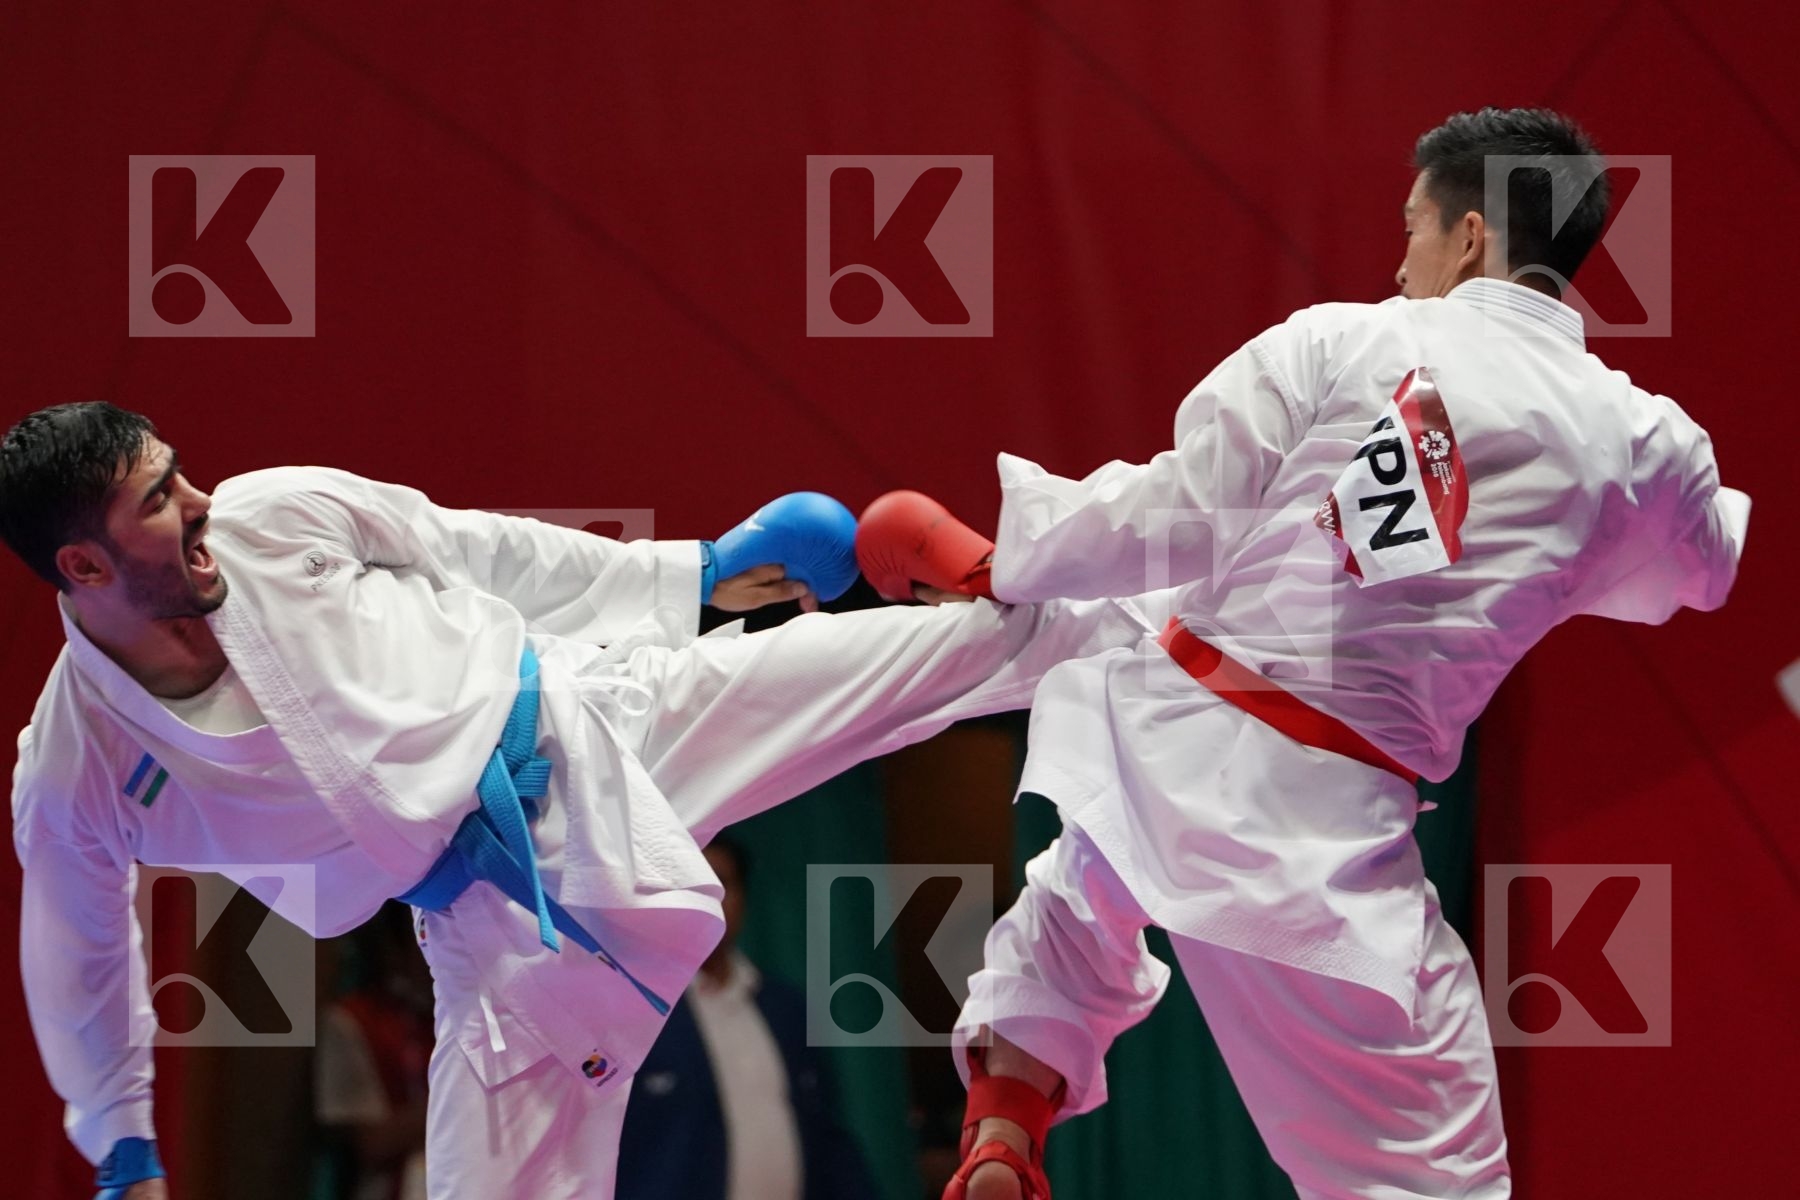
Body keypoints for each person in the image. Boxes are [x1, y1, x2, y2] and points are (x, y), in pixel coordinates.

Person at [857, 108, 1749, 1199]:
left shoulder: (1343, 338)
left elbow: (1174, 513)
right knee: (1439, 1180)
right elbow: (1702, 575)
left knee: (1082, 887)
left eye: (1414, 228)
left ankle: (1004, 1120)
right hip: (1322, 837)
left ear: (1471, 237)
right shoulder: (1644, 441)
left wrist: (1001, 563)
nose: (1398, 257)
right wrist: (1558, 544)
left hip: (1170, 721)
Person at [0, 404, 1168, 1200]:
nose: (200, 502)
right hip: (497, 933)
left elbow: (474, 552)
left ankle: (1201, 635)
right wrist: (120, 1145)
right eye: (159, 501)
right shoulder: (78, 764)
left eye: (180, 472)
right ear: (85, 570)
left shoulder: (277, 518)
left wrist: (690, 576)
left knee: (941, 658)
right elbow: (78, 956)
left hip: (603, 713)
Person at [615, 836, 877, 1200]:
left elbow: (827, 1138)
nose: (708, 902)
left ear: (744, 898)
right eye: (692, 887)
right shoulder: (636, 1010)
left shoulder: (784, 1007)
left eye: (721, 885)